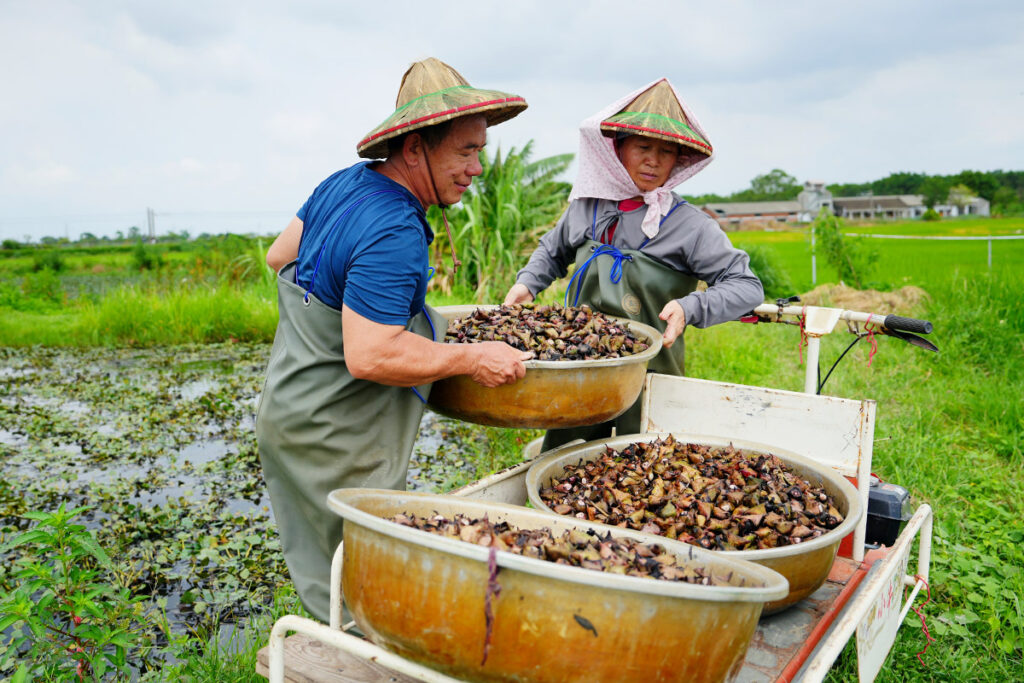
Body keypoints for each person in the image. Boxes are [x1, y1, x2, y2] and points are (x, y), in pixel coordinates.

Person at [256, 58, 531, 622]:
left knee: (325, 577)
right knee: (364, 591)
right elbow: (371, 353)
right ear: (413, 148)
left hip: (289, 415)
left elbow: (279, 258)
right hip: (339, 435)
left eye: (480, 150)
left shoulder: (341, 185)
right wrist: (472, 356)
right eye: (465, 151)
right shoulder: (396, 230)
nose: (478, 167)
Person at [504, 78, 763, 450]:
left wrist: (690, 307)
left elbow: (746, 285)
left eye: (666, 151)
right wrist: (527, 283)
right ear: (618, 147)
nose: (653, 160)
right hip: (579, 369)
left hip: (649, 377)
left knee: (641, 475)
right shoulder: (588, 206)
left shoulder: (690, 226)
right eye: (642, 146)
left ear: (679, 160)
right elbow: (553, 248)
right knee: (563, 464)